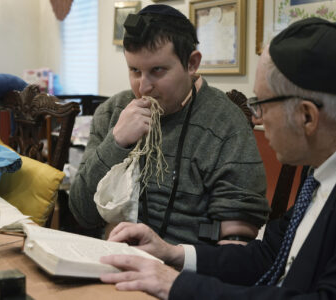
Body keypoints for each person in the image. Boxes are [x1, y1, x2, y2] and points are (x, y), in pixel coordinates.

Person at [99, 17, 336, 299]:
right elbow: (269, 256)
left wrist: (177, 286)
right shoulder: (323, 167)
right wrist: (172, 253)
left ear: (307, 116)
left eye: (260, 103)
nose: (256, 117)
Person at [69, 4, 269, 245]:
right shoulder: (112, 112)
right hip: (114, 262)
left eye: (158, 70)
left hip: (185, 271)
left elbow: (236, 244)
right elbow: (82, 213)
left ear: (192, 63)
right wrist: (117, 142)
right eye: (134, 70)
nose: (143, 87)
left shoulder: (225, 123)